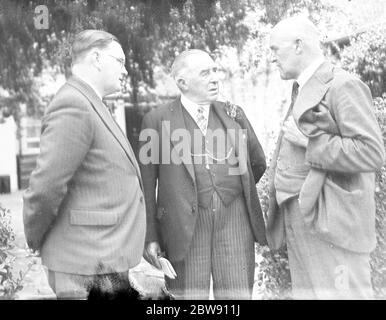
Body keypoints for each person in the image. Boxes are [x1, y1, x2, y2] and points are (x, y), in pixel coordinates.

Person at [266, 16, 385, 299]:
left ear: (298, 46)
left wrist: (311, 144)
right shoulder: (302, 86)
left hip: (333, 225)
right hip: (305, 221)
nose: (272, 59)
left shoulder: (343, 85)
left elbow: (371, 152)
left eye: (275, 50)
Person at [23, 30, 146, 299]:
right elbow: (46, 187)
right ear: (97, 58)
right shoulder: (74, 104)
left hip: (101, 260)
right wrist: (35, 238)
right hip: (85, 265)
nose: (125, 70)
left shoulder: (91, 103)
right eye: (120, 61)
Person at [138, 49, 267, 300]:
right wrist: (151, 236)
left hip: (234, 223)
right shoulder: (156, 120)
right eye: (205, 73)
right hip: (184, 228)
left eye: (215, 71)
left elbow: (257, 162)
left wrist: (231, 191)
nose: (215, 78)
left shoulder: (234, 114)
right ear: (182, 83)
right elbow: (145, 184)